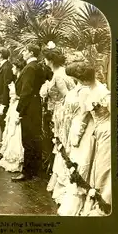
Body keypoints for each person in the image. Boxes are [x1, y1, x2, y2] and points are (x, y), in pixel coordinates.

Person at [66, 61, 111, 216]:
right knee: (97, 168)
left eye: (77, 80)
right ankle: (95, 200)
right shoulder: (88, 90)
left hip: (107, 133)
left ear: (84, 80)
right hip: (98, 132)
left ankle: (103, 204)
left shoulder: (103, 93)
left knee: (104, 169)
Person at [57, 61, 95, 216]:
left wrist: (76, 135)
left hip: (83, 130)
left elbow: (84, 116)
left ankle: (78, 201)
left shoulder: (85, 91)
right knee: (73, 161)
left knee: (80, 162)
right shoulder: (79, 89)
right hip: (75, 126)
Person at [42, 45, 76, 202]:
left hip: (61, 113)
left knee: (61, 144)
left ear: (50, 61)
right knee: (60, 144)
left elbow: (69, 97)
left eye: (46, 59)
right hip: (59, 111)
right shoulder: (63, 72)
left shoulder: (58, 76)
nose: (44, 61)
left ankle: (63, 177)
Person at [12, 44, 47, 181]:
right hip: (35, 105)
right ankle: (35, 172)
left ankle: (28, 172)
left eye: (25, 51)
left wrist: (19, 109)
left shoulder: (30, 68)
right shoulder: (38, 66)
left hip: (29, 107)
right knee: (35, 139)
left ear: (31, 52)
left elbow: (26, 91)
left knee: (28, 140)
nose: (23, 53)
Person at [0, 59, 26, 172]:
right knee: (10, 130)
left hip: (17, 106)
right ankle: (9, 157)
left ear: (18, 68)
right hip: (13, 106)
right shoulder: (16, 79)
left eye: (14, 67)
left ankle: (17, 159)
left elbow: (22, 95)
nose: (12, 69)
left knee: (16, 131)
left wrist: (16, 97)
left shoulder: (21, 80)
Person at [0, 47, 14, 132]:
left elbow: (6, 86)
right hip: (0, 98)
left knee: (4, 122)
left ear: (1, 55)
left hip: (3, 99)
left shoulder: (7, 67)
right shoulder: (4, 65)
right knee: (2, 122)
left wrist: (3, 104)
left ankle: (5, 143)